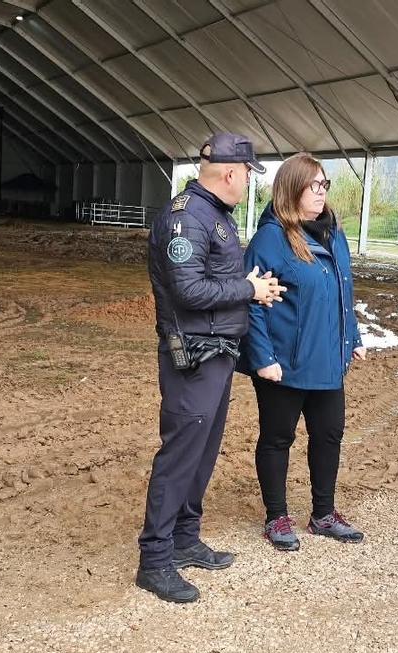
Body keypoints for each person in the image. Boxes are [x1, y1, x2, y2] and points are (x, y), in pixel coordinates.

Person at [137, 132, 286, 604]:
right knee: (181, 453)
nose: (248, 184)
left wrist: (247, 285)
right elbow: (189, 292)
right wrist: (249, 290)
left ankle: (184, 538)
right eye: (247, 174)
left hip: (216, 352)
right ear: (230, 173)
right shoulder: (187, 219)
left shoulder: (212, 216)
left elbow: (212, 281)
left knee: (202, 452)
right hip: (194, 356)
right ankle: (155, 560)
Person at [239, 153, 366, 551]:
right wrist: (262, 358)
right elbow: (251, 303)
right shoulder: (271, 238)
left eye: (325, 185)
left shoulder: (334, 233)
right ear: (291, 188)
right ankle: (276, 516)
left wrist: (354, 336)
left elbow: (342, 291)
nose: (321, 193)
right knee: (278, 437)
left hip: (328, 356)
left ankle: (323, 514)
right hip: (285, 360)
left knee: (329, 433)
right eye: (314, 185)